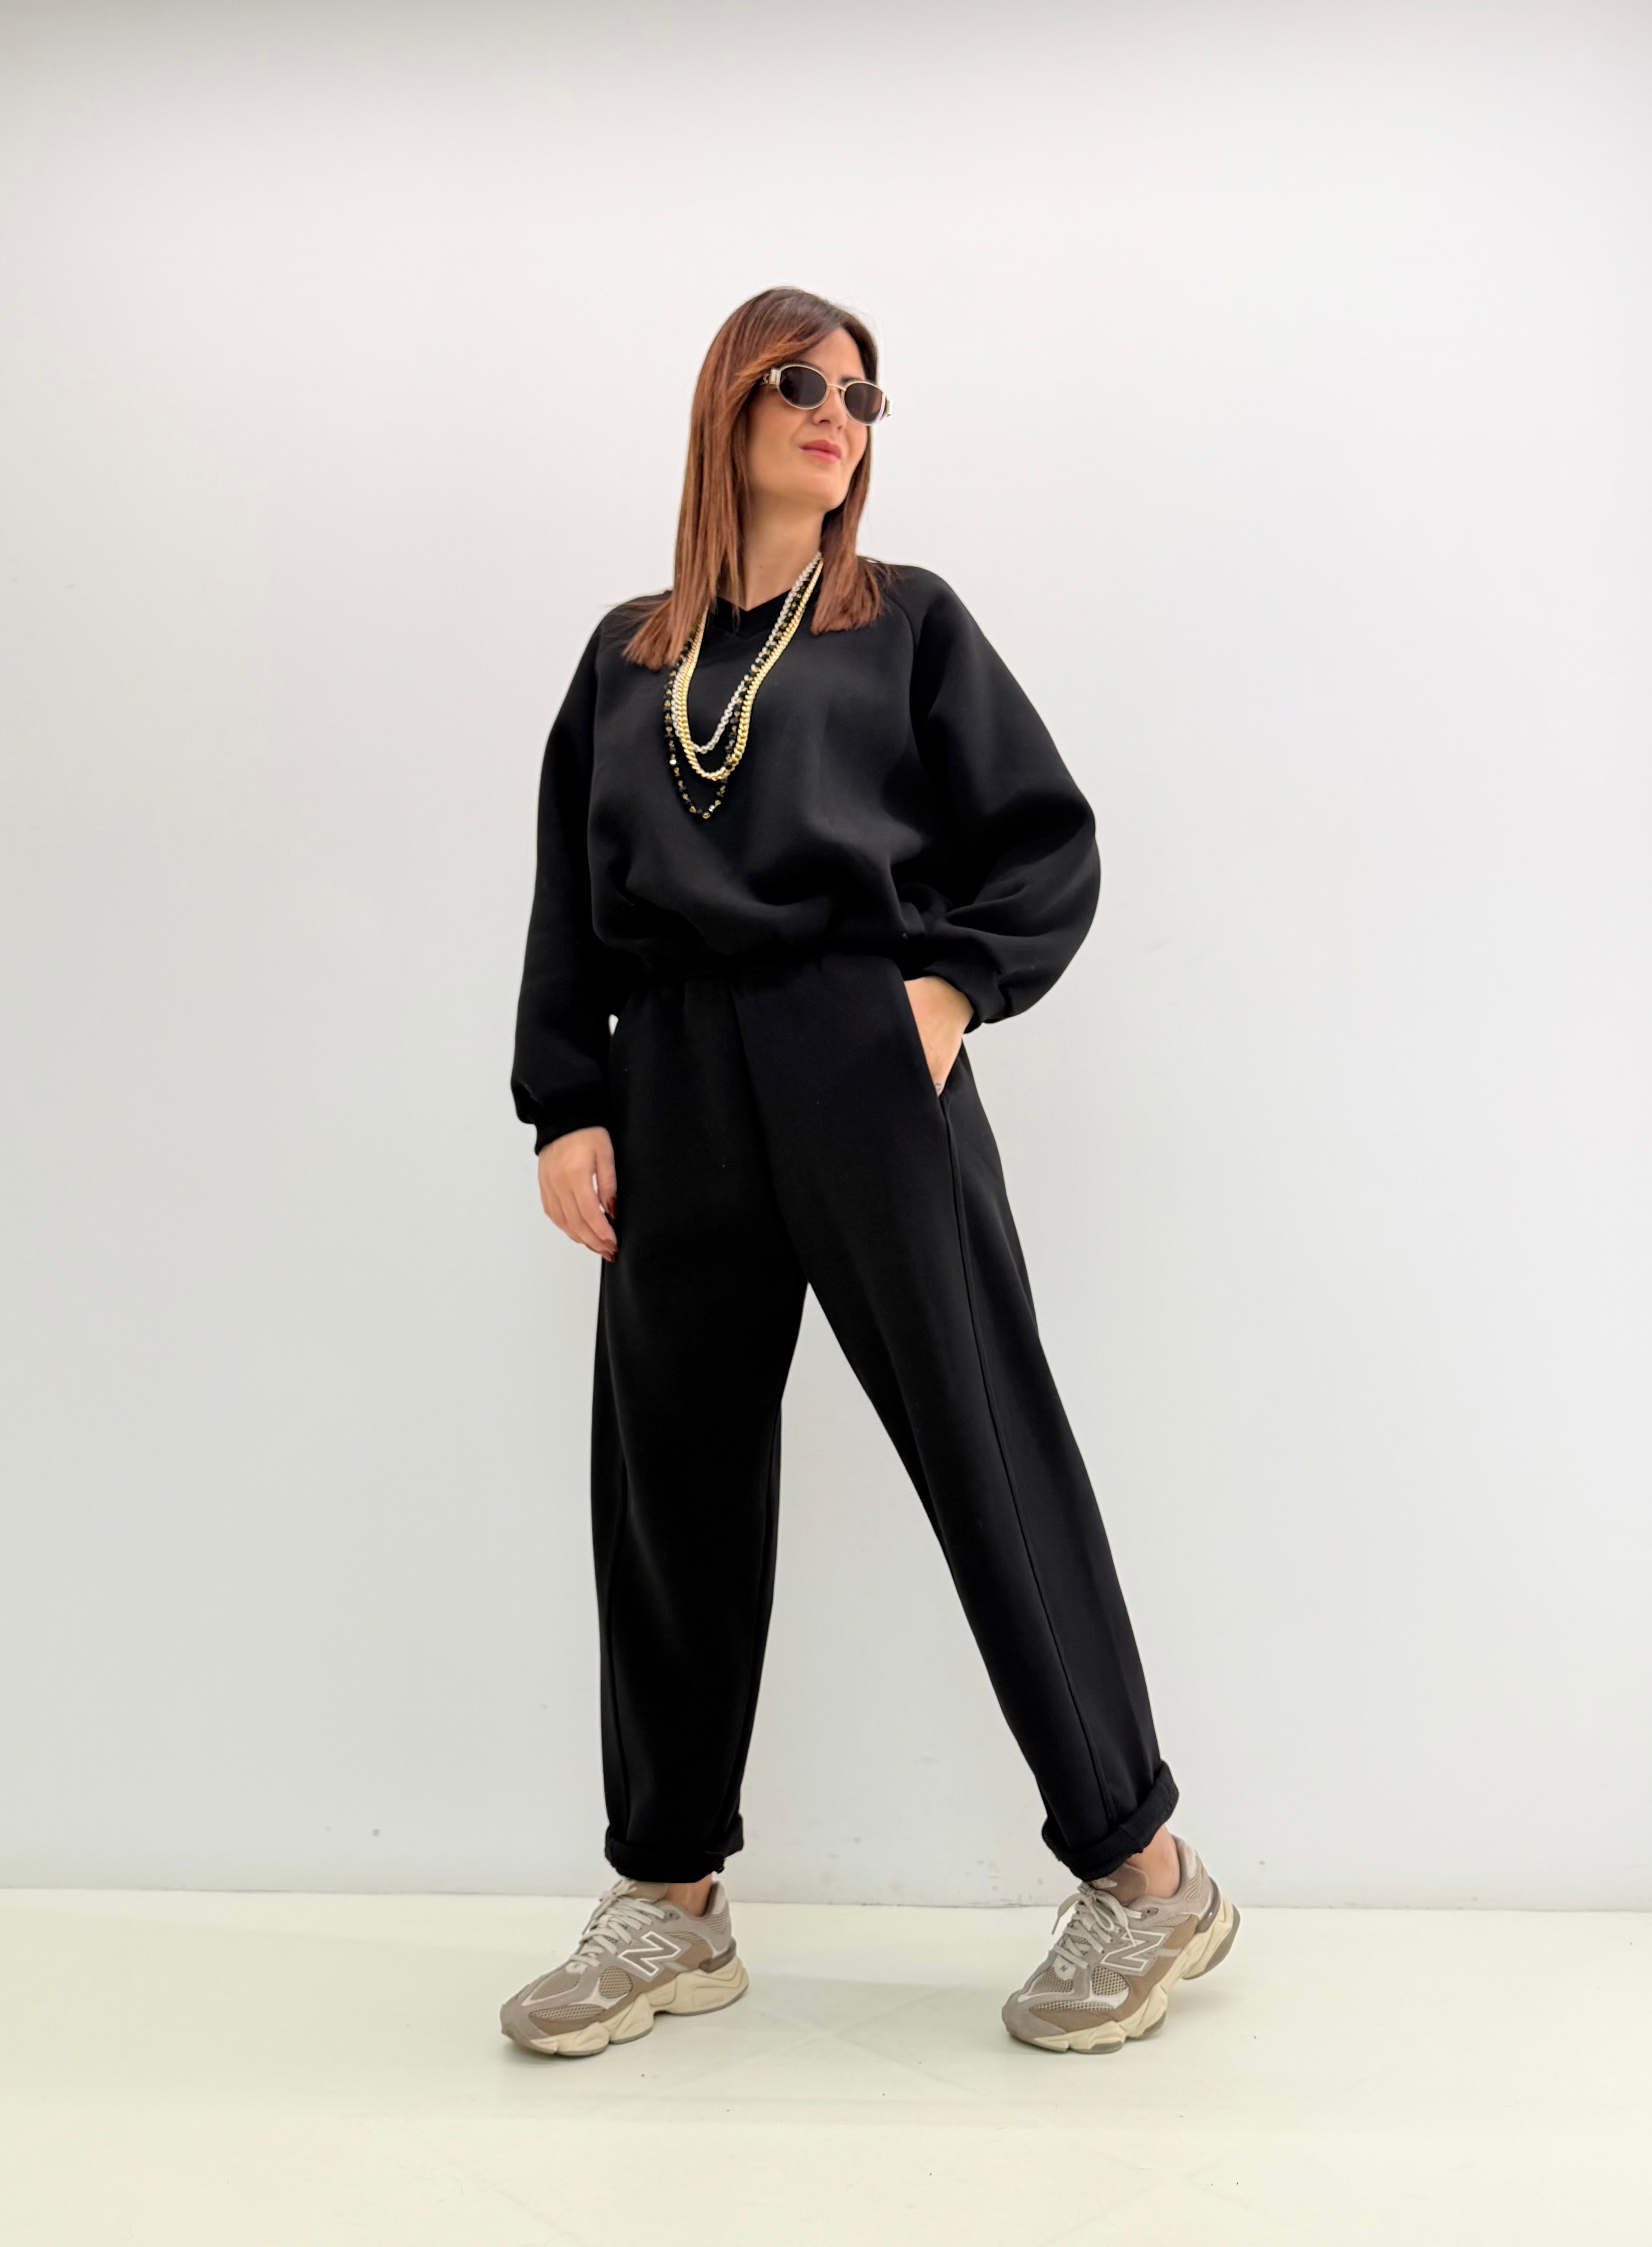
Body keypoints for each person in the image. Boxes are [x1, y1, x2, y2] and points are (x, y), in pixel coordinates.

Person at [500, 286, 1237, 2060]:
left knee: (983, 1445)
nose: (839, 412)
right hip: (673, 1074)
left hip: (862, 1056)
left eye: (862, 394)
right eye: (800, 383)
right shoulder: (623, 657)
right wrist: (567, 1101)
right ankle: (669, 1895)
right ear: (727, 407)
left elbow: (1044, 840)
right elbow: (567, 900)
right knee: (669, 1487)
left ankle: (1144, 1872)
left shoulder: (905, 622)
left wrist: (944, 991)